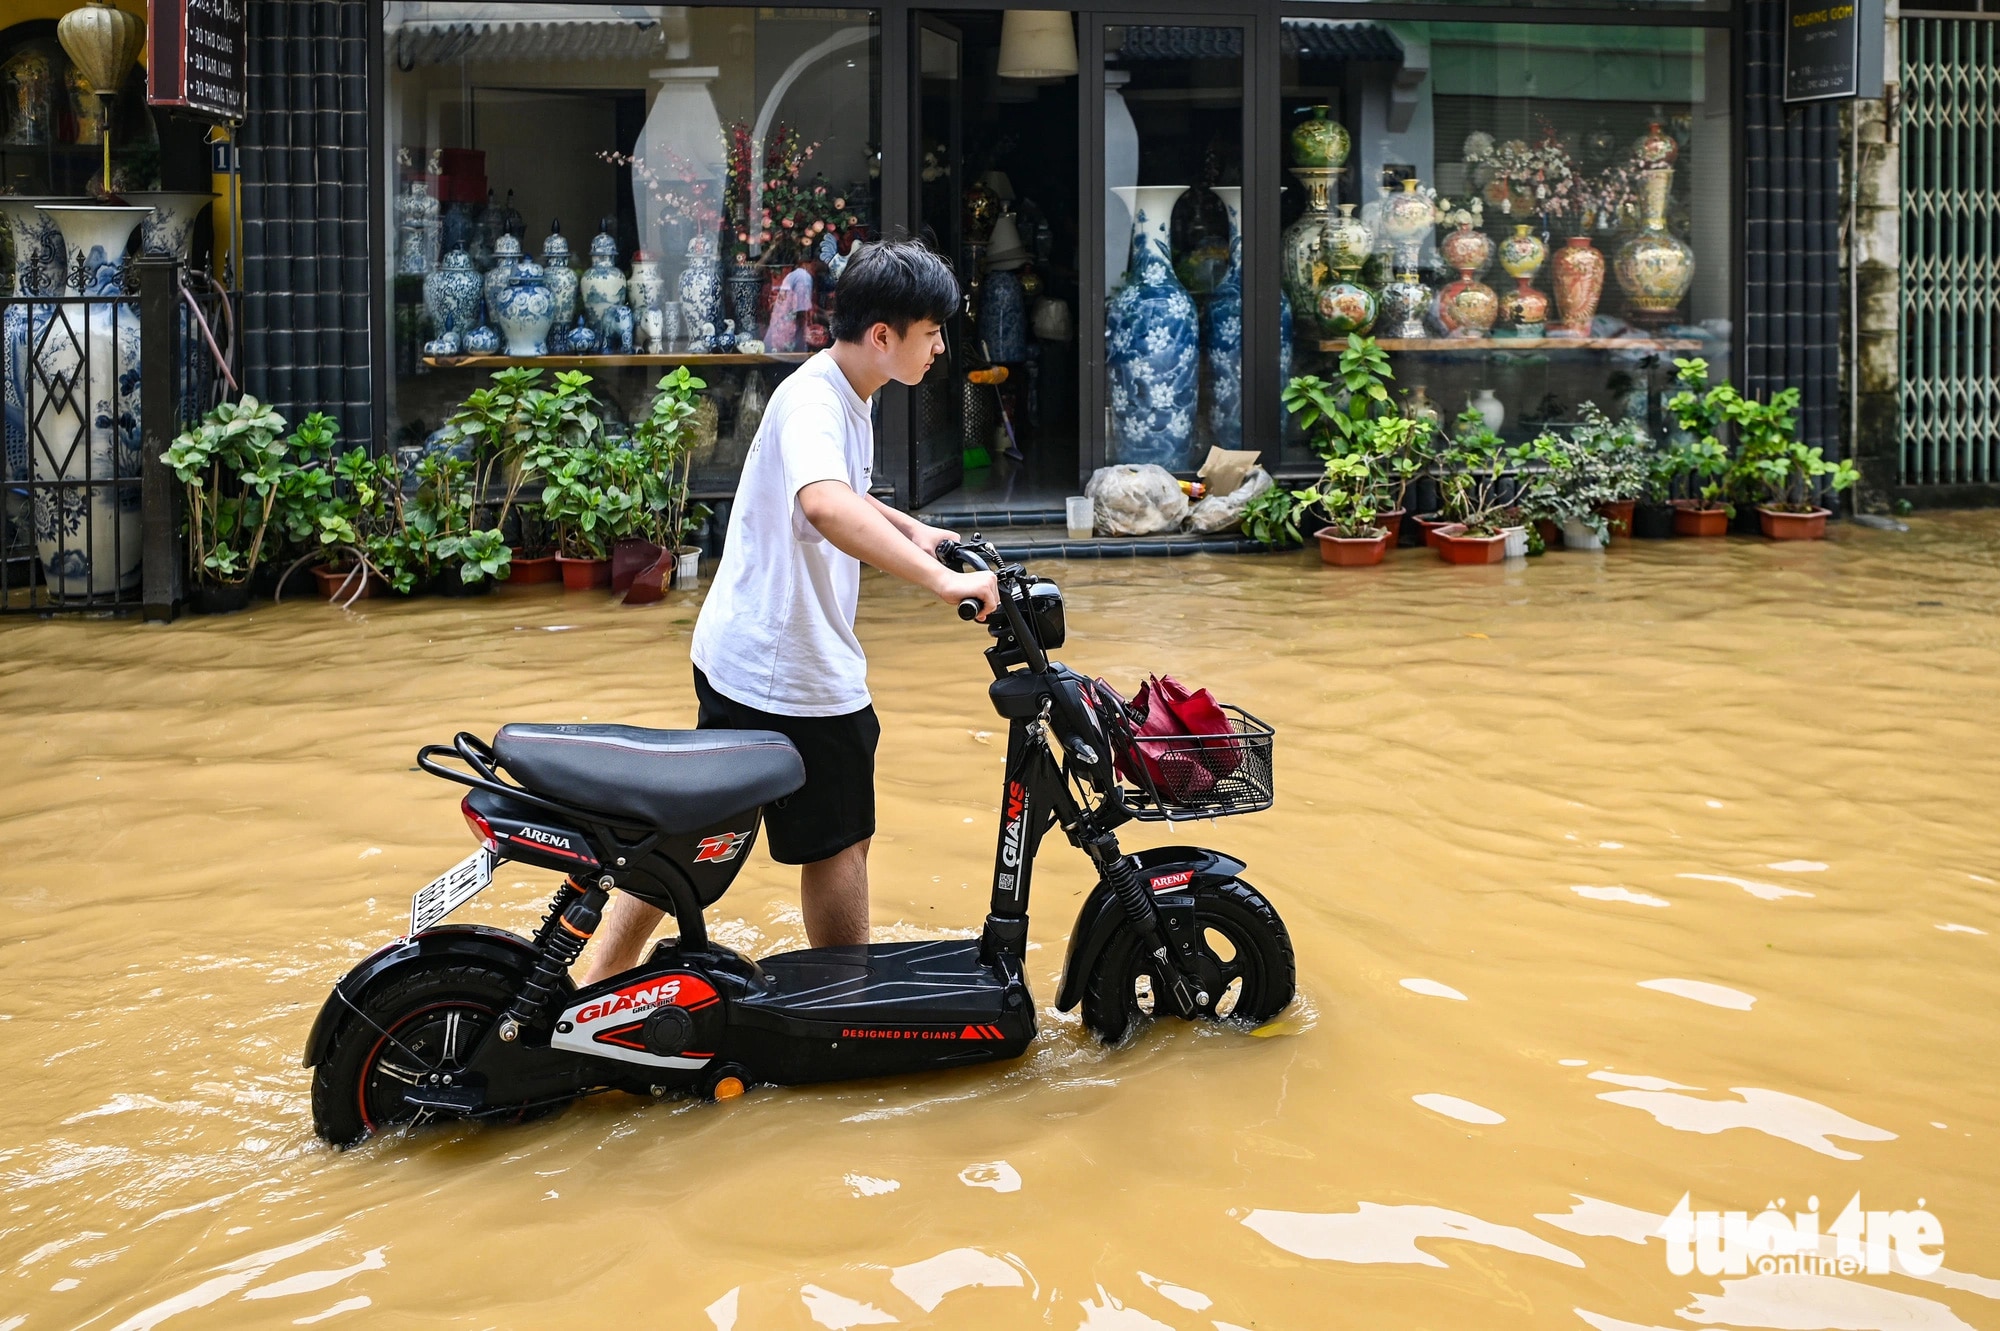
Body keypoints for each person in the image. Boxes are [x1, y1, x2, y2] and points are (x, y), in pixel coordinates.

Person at [580, 239, 999, 981]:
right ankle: (847, 1005)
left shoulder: (840, 389)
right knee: (837, 843)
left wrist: (915, 530)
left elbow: (842, 489)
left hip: (749, 653)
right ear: (883, 337)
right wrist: (942, 585)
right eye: (931, 332)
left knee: (692, 834)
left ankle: (594, 983)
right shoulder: (816, 399)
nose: (939, 348)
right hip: (788, 671)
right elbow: (825, 503)